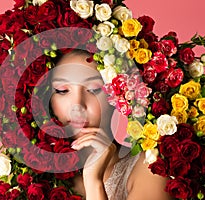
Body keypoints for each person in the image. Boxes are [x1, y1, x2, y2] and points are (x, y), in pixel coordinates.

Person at [49, 50, 172, 200]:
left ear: (117, 96)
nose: (77, 104)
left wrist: (94, 182)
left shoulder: (149, 168)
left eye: (93, 90)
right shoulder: (32, 173)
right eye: (62, 91)